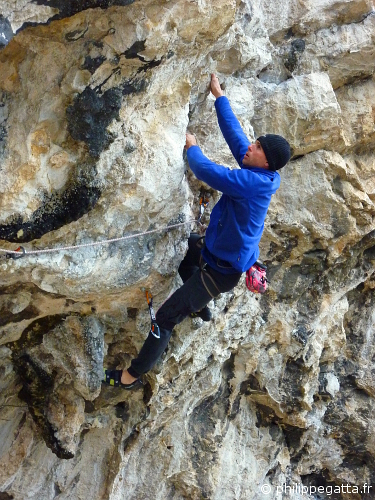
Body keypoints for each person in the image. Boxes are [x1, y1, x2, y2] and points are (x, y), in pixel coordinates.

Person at [103, 74, 291, 389]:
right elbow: (235, 136)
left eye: (257, 147)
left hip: (219, 272)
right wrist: (220, 97)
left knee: (165, 318)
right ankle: (198, 305)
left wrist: (192, 148)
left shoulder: (252, 183)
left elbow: (205, 170)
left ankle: (131, 376)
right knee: (183, 250)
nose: (250, 146)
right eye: (255, 143)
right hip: (213, 253)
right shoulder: (258, 168)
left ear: (267, 160)